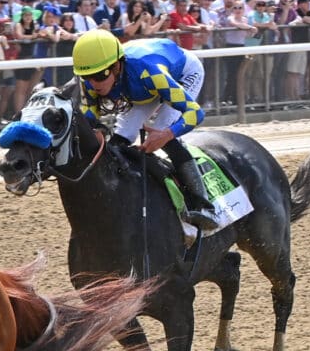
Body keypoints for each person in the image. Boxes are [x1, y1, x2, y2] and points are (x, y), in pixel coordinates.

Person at [71, 28, 218, 231]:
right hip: (139, 87)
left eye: (99, 76)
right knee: (120, 139)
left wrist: (167, 134)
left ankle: (205, 207)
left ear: (115, 66)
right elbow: (90, 120)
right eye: (86, 77)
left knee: (162, 131)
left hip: (181, 73)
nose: (93, 83)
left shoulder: (149, 72)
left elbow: (195, 113)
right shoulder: (92, 79)